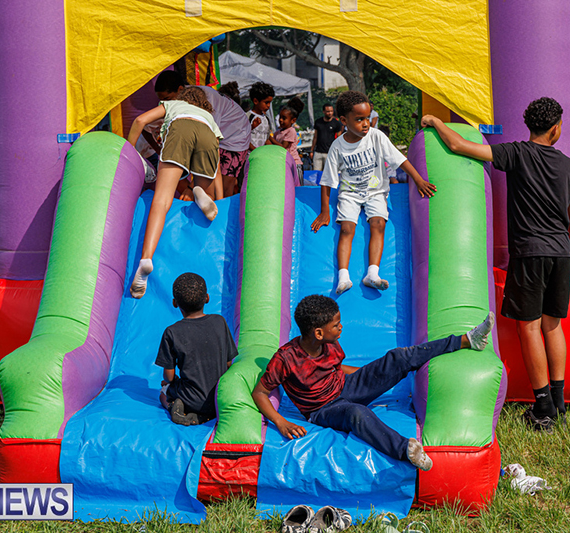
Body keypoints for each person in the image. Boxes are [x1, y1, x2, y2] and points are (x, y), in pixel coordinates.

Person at [422, 97, 570, 431]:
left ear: (531, 126)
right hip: (560, 251)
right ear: (556, 128)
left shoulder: (517, 153)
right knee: (553, 325)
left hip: (530, 251)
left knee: (530, 326)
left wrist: (436, 123)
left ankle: (542, 408)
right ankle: (559, 403)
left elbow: (459, 145)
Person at [251, 294, 494, 470]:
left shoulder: (328, 343)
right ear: (318, 333)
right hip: (322, 410)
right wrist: (281, 422)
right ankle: (405, 450)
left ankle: (465, 340)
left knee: (397, 357)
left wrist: (376, 374)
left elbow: (336, 369)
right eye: (335, 325)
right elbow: (260, 392)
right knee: (356, 413)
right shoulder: (286, 359)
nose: (341, 328)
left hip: (345, 386)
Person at [311, 91, 436, 293]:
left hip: (376, 191)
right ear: (344, 120)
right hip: (350, 194)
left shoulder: (376, 137)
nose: (366, 124)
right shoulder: (337, 147)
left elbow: (400, 160)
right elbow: (327, 181)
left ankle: (372, 273)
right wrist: (325, 211)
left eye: (367, 118)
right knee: (346, 228)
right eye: (359, 119)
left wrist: (419, 179)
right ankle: (343, 277)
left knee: (378, 223)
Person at [127, 87, 224, 299]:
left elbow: (140, 121)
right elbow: (216, 166)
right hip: (208, 139)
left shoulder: (172, 105)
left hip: (180, 132)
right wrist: (221, 199)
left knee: (161, 201)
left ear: (183, 98)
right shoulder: (208, 117)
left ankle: (146, 259)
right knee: (201, 183)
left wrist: (128, 151)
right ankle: (199, 190)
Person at [156, 273, 237, 425]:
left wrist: (169, 383)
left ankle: (172, 406)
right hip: (219, 398)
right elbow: (228, 364)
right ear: (207, 298)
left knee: (164, 391)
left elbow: (169, 377)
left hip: (191, 400)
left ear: (174, 303)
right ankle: (203, 416)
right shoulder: (220, 322)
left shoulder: (172, 332)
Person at [155, 71, 251, 197]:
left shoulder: (204, 98)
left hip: (236, 136)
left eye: (167, 99)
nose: (165, 103)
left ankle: (219, 209)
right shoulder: (177, 103)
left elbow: (209, 139)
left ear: (180, 89)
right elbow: (145, 125)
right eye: (162, 100)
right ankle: (197, 200)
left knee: (223, 185)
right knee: (203, 177)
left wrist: (191, 187)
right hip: (214, 136)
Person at [266, 97, 303, 179]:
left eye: (284, 118)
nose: (281, 120)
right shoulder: (277, 133)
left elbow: (283, 147)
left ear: (293, 120)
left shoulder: (291, 131)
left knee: (297, 187)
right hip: (284, 163)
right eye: (280, 117)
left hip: (294, 164)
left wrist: (270, 138)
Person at [311, 103, 342, 171]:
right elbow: (315, 137)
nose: (330, 113)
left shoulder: (336, 123)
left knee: (329, 172)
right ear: (324, 112)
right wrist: (312, 150)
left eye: (331, 111)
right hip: (318, 152)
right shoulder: (318, 122)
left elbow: (339, 138)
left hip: (329, 152)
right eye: (328, 111)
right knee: (316, 173)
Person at [247, 82, 274, 151]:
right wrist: (255, 151)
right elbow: (243, 138)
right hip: (249, 156)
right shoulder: (247, 117)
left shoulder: (266, 119)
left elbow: (266, 139)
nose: (268, 105)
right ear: (255, 101)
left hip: (261, 156)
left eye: (270, 103)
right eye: (266, 102)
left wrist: (274, 150)